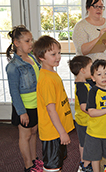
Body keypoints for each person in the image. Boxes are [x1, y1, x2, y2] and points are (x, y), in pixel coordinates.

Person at [33, 36, 75, 172]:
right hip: (53, 133)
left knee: (57, 165)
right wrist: (62, 132)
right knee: (52, 167)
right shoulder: (46, 79)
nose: (58, 57)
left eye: (59, 53)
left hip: (57, 130)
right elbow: (51, 110)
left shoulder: (52, 73)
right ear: (41, 57)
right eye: (53, 54)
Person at [5, 25, 43, 172]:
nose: (31, 43)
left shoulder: (32, 58)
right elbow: (14, 92)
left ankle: (34, 160)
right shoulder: (13, 66)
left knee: (34, 132)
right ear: (16, 43)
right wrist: (22, 112)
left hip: (36, 104)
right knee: (25, 135)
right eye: (27, 41)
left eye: (31, 40)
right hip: (24, 107)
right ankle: (28, 166)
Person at [72, 0, 106, 88]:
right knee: (92, 102)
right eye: (96, 6)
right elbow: (82, 50)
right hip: (91, 77)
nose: (99, 9)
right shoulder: (81, 26)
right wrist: (98, 39)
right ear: (88, 8)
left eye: (101, 7)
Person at [83, 59, 106, 172]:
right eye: (99, 74)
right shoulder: (93, 92)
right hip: (95, 133)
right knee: (95, 157)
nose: (103, 77)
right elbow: (92, 112)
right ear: (93, 78)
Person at [68, 55, 93, 171]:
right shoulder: (81, 86)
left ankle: (87, 161)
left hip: (86, 120)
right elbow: (84, 107)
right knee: (84, 143)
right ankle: (85, 164)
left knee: (87, 142)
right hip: (84, 121)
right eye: (91, 67)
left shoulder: (84, 82)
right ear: (82, 70)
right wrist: (97, 112)